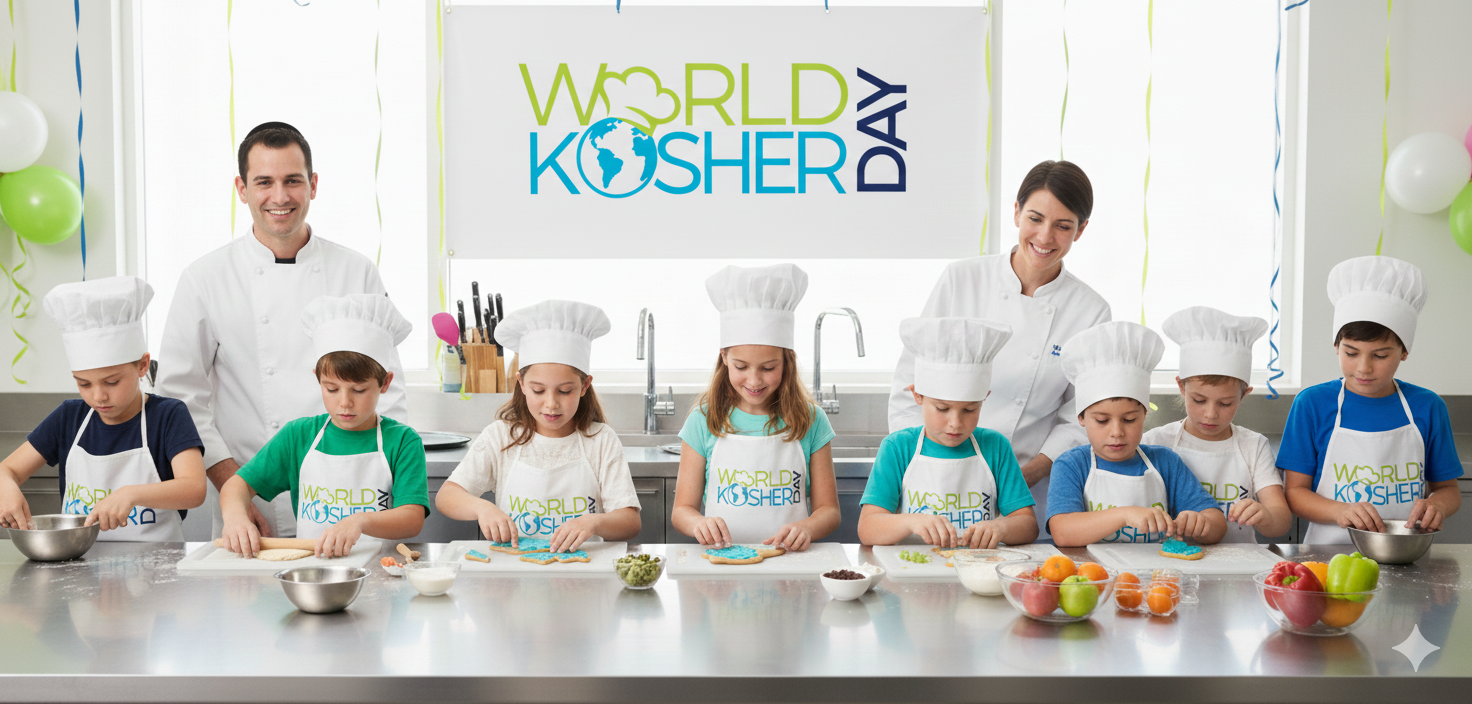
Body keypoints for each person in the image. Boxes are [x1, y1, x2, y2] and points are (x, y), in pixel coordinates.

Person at [156, 121, 408, 539]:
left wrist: (377, 490)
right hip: (251, 503)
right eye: (263, 182)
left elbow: (389, 392)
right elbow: (182, 399)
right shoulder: (205, 278)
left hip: (353, 504)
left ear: (312, 185)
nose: (280, 196)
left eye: (292, 181)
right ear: (241, 188)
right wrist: (234, 492)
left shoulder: (355, 270)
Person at [889, 160, 1111, 540]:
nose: (1045, 236)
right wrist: (929, 465)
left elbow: (1081, 414)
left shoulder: (1090, 310)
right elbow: (910, 385)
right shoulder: (963, 279)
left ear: (1082, 230)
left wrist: (1028, 474)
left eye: (1063, 226)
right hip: (936, 484)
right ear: (1016, 212)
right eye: (1035, 218)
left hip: (1026, 490)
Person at [219, 294, 426, 557]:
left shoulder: (402, 440)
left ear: (385, 383)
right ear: (318, 379)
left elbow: (412, 518)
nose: (345, 403)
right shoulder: (299, 436)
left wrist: (360, 521)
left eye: (359, 390)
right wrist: (236, 517)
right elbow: (237, 486)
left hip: (377, 568)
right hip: (310, 569)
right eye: (331, 389)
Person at [0, 277, 205, 540]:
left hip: (156, 566)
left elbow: (194, 488)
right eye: (83, 384)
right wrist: (6, 487)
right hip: (81, 563)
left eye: (112, 382)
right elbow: (8, 470)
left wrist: (131, 493)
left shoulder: (168, 415)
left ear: (142, 365)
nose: (98, 396)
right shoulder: (69, 417)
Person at [1279, 256, 1462, 543]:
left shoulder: (1428, 407)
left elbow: (1449, 489)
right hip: (1329, 557)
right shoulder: (1312, 404)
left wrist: (1437, 504)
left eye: (1380, 355)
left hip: (1404, 553)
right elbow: (1295, 493)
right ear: (1336, 346)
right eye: (1351, 353)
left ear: (1404, 351)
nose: (1364, 368)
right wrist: (1339, 511)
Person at [436, 300, 641, 553]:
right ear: (521, 383)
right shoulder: (501, 437)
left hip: (582, 577)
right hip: (514, 575)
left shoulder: (600, 440)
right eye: (538, 390)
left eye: (565, 391)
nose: (551, 404)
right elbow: (447, 496)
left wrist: (595, 522)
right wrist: (482, 508)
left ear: (585, 386)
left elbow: (630, 522)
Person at [671, 264, 840, 550]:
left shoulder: (811, 420)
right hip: (722, 569)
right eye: (741, 366)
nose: (754, 380)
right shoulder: (704, 420)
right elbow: (681, 511)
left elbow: (830, 511)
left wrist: (807, 527)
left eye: (768, 367)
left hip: (787, 566)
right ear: (724, 357)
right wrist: (698, 523)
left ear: (787, 361)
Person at [858, 317, 1038, 548]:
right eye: (942, 408)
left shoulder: (995, 446)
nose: (956, 423)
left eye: (970, 409)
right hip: (914, 568)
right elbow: (867, 529)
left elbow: (1028, 526)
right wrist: (911, 522)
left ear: (984, 398)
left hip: (978, 568)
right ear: (917, 396)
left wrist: (1001, 527)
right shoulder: (898, 447)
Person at [1046, 321, 1226, 546]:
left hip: (1155, 577)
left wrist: (1199, 523)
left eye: (1129, 419)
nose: (1117, 432)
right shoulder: (1072, 464)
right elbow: (1063, 533)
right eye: (1102, 420)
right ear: (1081, 418)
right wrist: (1124, 515)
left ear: (1144, 414)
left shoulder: (1165, 462)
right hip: (1094, 577)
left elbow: (1217, 525)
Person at [1142, 307, 1292, 542]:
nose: (1210, 414)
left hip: (1241, 566)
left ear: (1244, 395)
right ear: (1181, 387)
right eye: (1199, 400)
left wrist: (1265, 516)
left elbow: (1281, 521)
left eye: (1225, 403)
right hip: (1170, 565)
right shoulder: (1155, 442)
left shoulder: (1253, 446)